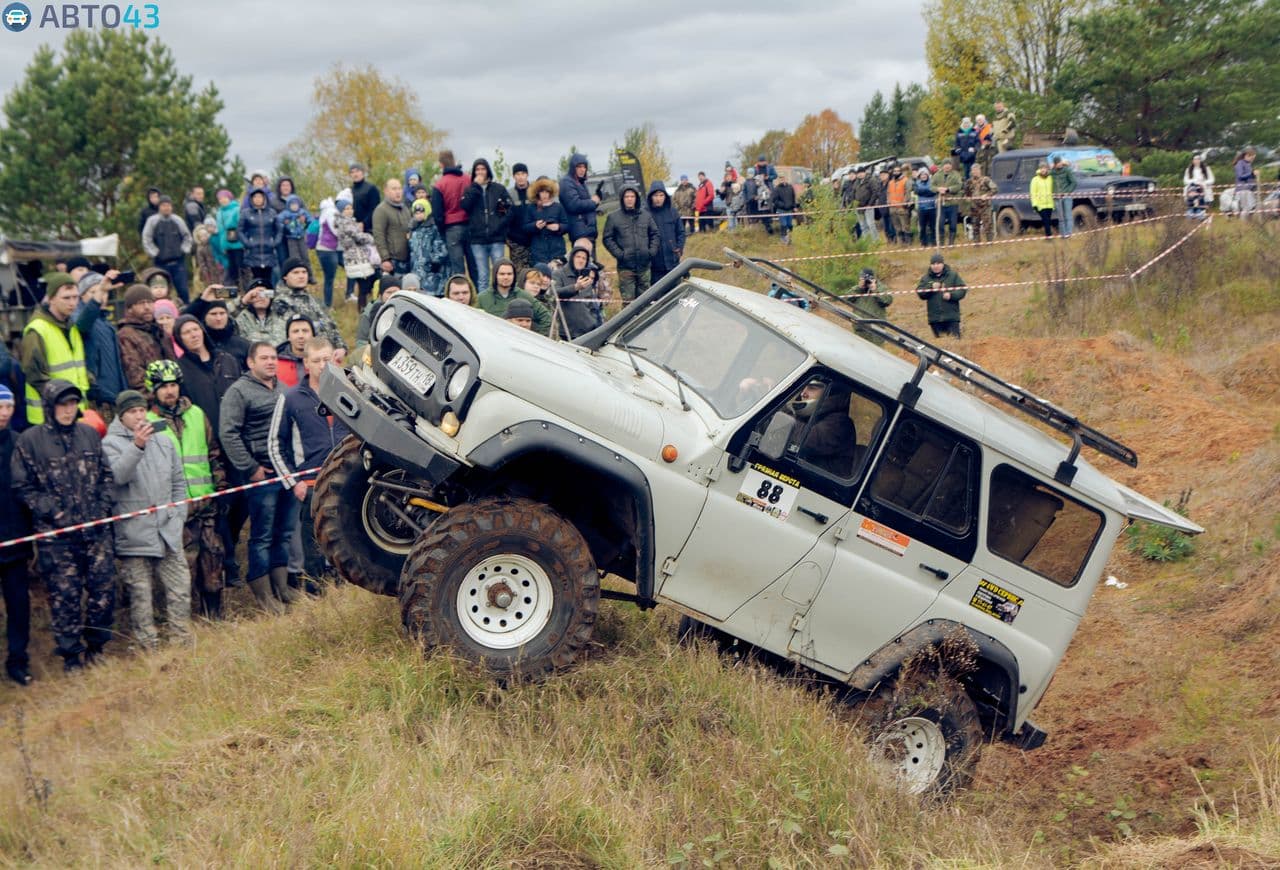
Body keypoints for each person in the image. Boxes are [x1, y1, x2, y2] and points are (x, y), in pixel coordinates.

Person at [12, 380, 116, 671]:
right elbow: (22, 486)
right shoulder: (30, 441)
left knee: (103, 593)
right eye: (62, 404)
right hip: (57, 539)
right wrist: (52, 512)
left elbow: (107, 476)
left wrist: (101, 507)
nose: (68, 410)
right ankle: (71, 657)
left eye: (73, 404)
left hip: (95, 532)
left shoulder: (89, 435)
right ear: (49, 406)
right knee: (65, 598)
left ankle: (97, 648)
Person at [102, 389, 191, 649]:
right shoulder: (110, 443)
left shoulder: (163, 439)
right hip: (134, 533)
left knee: (180, 588)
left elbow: (178, 481)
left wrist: (178, 515)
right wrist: (137, 446)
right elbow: (118, 477)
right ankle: (147, 648)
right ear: (122, 416)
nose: (139, 416)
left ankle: (181, 642)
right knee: (141, 595)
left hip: (167, 530)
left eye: (142, 410)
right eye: (132, 412)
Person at [219, 341, 297, 614]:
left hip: (287, 471)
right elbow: (228, 433)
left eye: (274, 357)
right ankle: (263, 594)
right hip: (261, 473)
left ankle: (282, 588)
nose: (271, 362)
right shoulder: (238, 392)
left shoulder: (285, 390)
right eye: (264, 358)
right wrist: (250, 467)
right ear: (251, 363)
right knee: (261, 534)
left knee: (284, 532)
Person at [145, 360, 226, 620]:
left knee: (213, 559)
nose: (169, 391)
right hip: (176, 512)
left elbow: (213, 453)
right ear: (153, 390)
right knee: (183, 567)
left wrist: (221, 486)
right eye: (163, 387)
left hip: (206, 504)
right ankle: (185, 620)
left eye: (172, 385)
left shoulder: (196, 414)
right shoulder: (148, 422)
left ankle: (214, 615)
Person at [271, 337, 351, 583]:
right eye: (316, 361)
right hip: (310, 484)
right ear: (306, 363)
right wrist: (293, 482)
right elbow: (275, 443)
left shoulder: (347, 391)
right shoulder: (291, 398)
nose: (322, 365)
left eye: (326, 359)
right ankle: (316, 595)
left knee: (347, 541)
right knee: (314, 545)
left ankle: (345, 591)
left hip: (346, 479)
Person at [21, 274, 90, 425]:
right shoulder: (37, 330)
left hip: (73, 413)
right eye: (66, 298)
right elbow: (34, 375)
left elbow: (76, 368)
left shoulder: (71, 327)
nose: (72, 303)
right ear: (51, 298)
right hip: (48, 416)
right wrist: (62, 401)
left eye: (75, 297)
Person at [0, 385, 34, 685]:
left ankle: (18, 660)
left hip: (16, 541)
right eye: (0, 407)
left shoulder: (18, 443)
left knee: (19, 606)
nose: (4, 413)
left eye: (8, 407)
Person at [173, 314, 241, 434]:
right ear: (180, 339)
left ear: (202, 331)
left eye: (195, 329)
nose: (194, 335)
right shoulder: (179, 369)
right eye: (187, 332)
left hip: (237, 431)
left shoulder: (227, 359)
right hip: (205, 434)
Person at [270, 258, 347, 361]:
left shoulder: (314, 300)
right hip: (301, 360)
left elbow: (330, 325)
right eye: (296, 273)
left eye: (304, 272)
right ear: (285, 277)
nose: (301, 276)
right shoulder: (280, 302)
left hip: (327, 358)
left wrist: (341, 347)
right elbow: (289, 337)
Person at [74, 270, 128, 415]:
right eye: (94, 292)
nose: (101, 297)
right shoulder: (80, 319)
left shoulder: (106, 323)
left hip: (115, 397)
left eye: (104, 292)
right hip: (99, 399)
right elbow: (82, 324)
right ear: (82, 295)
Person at [461, 158, 513, 293]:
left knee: (500, 273)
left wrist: (500, 226)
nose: (480, 172)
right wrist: (476, 187)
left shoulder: (499, 188)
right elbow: (465, 206)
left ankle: (500, 299)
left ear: (488, 170)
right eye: (477, 169)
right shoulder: (470, 190)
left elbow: (510, 210)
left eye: (482, 169)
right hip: (477, 240)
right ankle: (482, 306)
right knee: (482, 276)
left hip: (496, 239)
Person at [602, 184, 659, 300]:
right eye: (626, 196)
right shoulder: (613, 217)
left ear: (636, 198)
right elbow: (607, 238)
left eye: (632, 196)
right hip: (626, 268)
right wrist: (620, 254)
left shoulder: (646, 215)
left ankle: (646, 318)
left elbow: (655, 234)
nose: (629, 199)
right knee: (629, 303)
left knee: (645, 301)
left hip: (644, 266)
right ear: (622, 199)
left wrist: (651, 251)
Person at [476, 260, 552, 335]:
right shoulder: (482, 298)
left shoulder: (524, 295)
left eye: (509, 274)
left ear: (514, 275)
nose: (506, 277)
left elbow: (546, 317)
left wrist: (537, 338)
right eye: (502, 274)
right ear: (495, 275)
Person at [141, 196, 194, 303]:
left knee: (183, 291)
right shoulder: (152, 221)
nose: (167, 208)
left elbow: (187, 236)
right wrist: (155, 253)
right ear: (159, 207)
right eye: (164, 205)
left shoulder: (178, 220)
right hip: (160, 264)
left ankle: (186, 313)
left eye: (169, 205)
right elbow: (146, 239)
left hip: (178, 263)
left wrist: (184, 250)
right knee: (161, 292)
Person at [550, 242, 607, 339]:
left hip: (589, 331)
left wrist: (595, 323)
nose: (581, 260)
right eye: (578, 257)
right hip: (569, 331)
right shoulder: (558, 274)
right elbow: (555, 293)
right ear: (572, 258)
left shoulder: (586, 277)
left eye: (584, 258)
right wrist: (576, 287)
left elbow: (593, 306)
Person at [431, 150, 472, 277]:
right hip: (470, 226)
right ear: (454, 161)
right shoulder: (468, 179)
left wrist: (443, 231)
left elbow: (437, 214)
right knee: (475, 266)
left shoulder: (440, 184)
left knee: (458, 269)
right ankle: (478, 294)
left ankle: (460, 294)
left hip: (451, 228)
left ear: (441, 164)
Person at [335, 197, 378, 306]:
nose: (350, 211)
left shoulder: (345, 222)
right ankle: (363, 308)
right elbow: (359, 237)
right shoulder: (347, 223)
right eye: (346, 209)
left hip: (354, 257)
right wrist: (371, 237)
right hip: (356, 258)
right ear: (341, 211)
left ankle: (364, 307)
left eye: (351, 208)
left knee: (364, 284)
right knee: (364, 285)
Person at [916, 252, 967, 338]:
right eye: (933, 264)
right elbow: (920, 293)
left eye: (938, 263)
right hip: (935, 319)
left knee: (954, 342)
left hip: (951, 317)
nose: (935, 266)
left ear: (943, 264)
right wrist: (930, 287)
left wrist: (951, 295)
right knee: (939, 345)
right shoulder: (926, 278)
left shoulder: (952, 275)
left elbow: (962, 290)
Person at [238, 187, 281, 288]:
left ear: (264, 198)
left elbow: (279, 229)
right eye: (255, 197)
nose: (258, 199)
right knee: (255, 280)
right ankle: (255, 301)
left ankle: (269, 301)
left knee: (269, 280)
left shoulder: (272, 213)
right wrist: (247, 243)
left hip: (269, 251)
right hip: (253, 252)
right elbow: (240, 230)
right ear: (251, 199)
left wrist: (275, 242)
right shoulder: (246, 213)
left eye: (260, 197)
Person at [645, 180, 685, 284]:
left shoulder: (672, 212)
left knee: (676, 293)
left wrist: (679, 248)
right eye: (655, 195)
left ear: (665, 196)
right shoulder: (645, 214)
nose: (658, 199)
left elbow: (681, 232)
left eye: (661, 195)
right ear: (650, 197)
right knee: (658, 297)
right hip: (654, 265)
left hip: (672, 261)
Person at [372, 178, 413, 278]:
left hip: (408, 258)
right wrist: (385, 259)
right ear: (386, 191)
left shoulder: (405, 209)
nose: (398, 192)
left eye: (399, 188)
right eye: (394, 189)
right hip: (392, 261)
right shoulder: (381, 210)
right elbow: (379, 236)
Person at [408, 199, 449, 296]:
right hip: (417, 270)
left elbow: (441, 246)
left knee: (434, 294)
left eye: (421, 212)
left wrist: (435, 261)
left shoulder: (434, 228)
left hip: (432, 270)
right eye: (416, 213)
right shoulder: (413, 229)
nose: (418, 215)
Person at [526, 177, 569, 267]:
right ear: (537, 193)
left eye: (547, 192)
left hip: (557, 250)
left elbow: (567, 225)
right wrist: (535, 226)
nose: (544, 195)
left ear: (551, 192)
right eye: (542, 192)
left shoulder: (558, 207)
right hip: (538, 251)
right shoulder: (531, 208)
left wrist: (558, 227)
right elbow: (525, 227)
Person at [560, 153, 600, 243]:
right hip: (580, 233)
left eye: (584, 167)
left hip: (588, 231)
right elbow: (574, 205)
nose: (582, 169)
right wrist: (593, 202)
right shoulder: (566, 182)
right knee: (581, 257)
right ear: (573, 167)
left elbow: (586, 207)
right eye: (579, 167)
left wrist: (596, 201)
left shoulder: (581, 182)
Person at [234, 279, 285, 346]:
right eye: (256, 294)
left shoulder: (281, 316)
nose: (261, 297)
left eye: (265, 294)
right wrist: (243, 301)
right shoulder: (240, 317)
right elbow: (223, 315)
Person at [212, 189, 244, 290]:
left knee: (241, 267)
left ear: (229, 198)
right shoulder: (219, 213)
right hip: (226, 244)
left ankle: (244, 287)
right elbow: (220, 231)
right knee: (231, 269)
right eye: (220, 199)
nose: (222, 200)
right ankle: (234, 290)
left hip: (238, 244)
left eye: (224, 198)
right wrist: (222, 245)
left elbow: (240, 225)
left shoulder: (237, 209)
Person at [506, 162, 535, 275]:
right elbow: (505, 217)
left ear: (527, 175)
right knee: (520, 275)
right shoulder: (509, 194)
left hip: (534, 240)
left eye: (523, 173)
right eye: (517, 174)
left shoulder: (534, 192)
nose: (520, 176)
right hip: (516, 242)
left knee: (535, 273)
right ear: (514, 176)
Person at [313, 195, 341, 307]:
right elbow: (336, 231)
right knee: (329, 278)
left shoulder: (324, 213)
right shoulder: (331, 213)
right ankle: (327, 304)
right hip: (327, 249)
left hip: (323, 249)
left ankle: (327, 303)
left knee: (328, 278)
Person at [276, 195, 312, 276]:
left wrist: (306, 224)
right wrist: (285, 225)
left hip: (301, 237)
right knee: (294, 257)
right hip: (291, 238)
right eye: (292, 205)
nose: (294, 206)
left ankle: (309, 275)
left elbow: (310, 220)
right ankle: (296, 275)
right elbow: (278, 221)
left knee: (305, 256)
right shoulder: (286, 213)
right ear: (288, 205)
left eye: (296, 204)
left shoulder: (302, 212)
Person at [275, 315, 314, 388]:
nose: (301, 336)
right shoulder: (274, 362)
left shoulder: (324, 361)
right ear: (288, 337)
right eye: (295, 331)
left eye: (305, 331)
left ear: (313, 335)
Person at [963, 164, 998, 243]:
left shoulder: (986, 180)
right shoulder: (969, 182)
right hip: (974, 207)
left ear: (980, 171)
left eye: (977, 170)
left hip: (985, 206)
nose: (975, 172)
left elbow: (995, 189)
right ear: (971, 172)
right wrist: (967, 197)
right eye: (973, 170)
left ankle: (990, 243)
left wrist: (987, 195)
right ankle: (977, 244)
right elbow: (966, 193)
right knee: (975, 226)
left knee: (988, 226)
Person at [933, 159, 964, 245]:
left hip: (952, 203)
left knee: (953, 225)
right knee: (940, 224)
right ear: (943, 166)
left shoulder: (956, 175)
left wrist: (948, 189)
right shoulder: (937, 175)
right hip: (940, 204)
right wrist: (938, 189)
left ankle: (951, 243)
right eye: (945, 164)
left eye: (949, 164)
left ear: (951, 166)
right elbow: (931, 186)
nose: (947, 166)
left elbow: (959, 185)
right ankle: (941, 244)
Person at [1048, 155, 1078, 238]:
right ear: (1055, 164)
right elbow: (1043, 174)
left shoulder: (1067, 170)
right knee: (1060, 217)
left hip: (1066, 196)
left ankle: (1069, 233)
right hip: (1057, 197)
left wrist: (1067, 192)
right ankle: (1063, 234)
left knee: (1068, 215)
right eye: (1057, 163)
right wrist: (1049, 168)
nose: (1059, 164)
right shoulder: (1052, 172)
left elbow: (1074, 182)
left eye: (1060, 162)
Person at [348, 163, 381, 233]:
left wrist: (364, 223)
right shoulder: (349, 191)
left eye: (357, 171)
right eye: (352, 172)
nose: (355, 174)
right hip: (352, 228)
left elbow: (375, 210)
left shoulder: (371, 188)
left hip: (369, 229)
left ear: (362, 172)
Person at [887, 166, 912, 245]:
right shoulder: (890, 182)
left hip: (902, 207)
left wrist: (904, 203)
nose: (896, 172)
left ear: (901, 172)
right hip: (893, 208)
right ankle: (901, 243)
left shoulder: (906, 180)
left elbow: (908, 192)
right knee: (897, 227)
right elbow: (888, 193)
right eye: (895, 171)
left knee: (905, 226)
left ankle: (908, 243)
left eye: (898, 171)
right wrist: (889, 202)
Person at [914, 169, 938, 247]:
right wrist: (928, 191)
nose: (923, 176)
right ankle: (923, 243)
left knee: (933, 227)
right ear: (919, 176)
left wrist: (924, 192)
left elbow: (933, 191)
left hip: (932, 208)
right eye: (922, 175)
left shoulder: (932, 182)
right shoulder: (917, 183)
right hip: (921, 208)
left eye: (925, 174)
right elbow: (917, 191)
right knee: (922, 227)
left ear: (927, 175)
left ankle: (934, 242)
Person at [1030, 163, 1055, 237]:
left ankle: (1048, 235)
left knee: (1048, 220)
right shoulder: (1035, 179)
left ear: (1047, 169)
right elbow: (1033, 192)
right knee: (1046, 220)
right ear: (1040, 169)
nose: (1044, 169)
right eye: (1042, 168)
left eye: (1045, 168)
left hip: (1050, 204)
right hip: (1040, 205)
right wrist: (1034, 204)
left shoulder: (1050, 178)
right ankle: (1049, 235)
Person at [771, 175, 798, 244]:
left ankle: (791, 238)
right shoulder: (776, 189)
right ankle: (783, 238)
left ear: (786, 179)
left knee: (789, 224)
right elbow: (774, 200)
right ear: (779, 180)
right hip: (781, 210)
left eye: (783, 178)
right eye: (780, 179)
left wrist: (794, 206)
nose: (782, 180)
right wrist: (782, 205)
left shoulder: (790, 187)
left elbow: (793, 197)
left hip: (789, 209)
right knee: (784, 224)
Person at [1234, 148, 1258, 217]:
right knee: (1246, 209)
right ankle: (1243, 225)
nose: (1252, 160)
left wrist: (1254, 176)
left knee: (1252, 208)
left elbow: (1249, 176)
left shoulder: (1248, 164)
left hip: (1249, 189)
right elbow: (1240, 176)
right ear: (1247, 155)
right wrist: (1252, 174)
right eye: (1252, 158)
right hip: (1243, 190)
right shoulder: (1240, 163)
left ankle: (1249, 224)